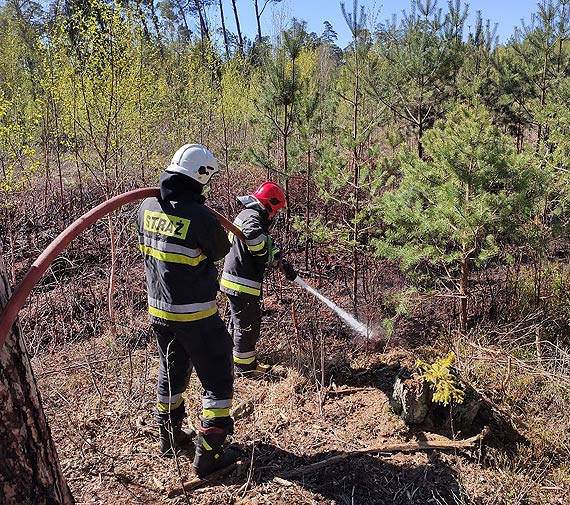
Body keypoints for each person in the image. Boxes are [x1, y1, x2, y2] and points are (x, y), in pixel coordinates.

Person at [137, 144, 236, 477]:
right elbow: (220, 250)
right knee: (219, 378)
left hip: (159, 312)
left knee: (172, 372)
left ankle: (169, 438)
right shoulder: (200, 217)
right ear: (200, 176)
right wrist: (201, 215)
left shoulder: (147, 206)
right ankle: (208, 455)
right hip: (195, 314)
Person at [220, 181, 298, 379]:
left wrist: (280, 260)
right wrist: (266, 257)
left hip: (237, 281)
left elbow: (265, 243)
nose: (275, 215)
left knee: (238, 323)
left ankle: (229, 358)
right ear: (269, 204)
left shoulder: (250, 215)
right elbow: (255, 240)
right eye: (276, 210)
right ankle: (247, 368)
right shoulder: (251, 217)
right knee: (248, 327)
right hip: (241, 283)